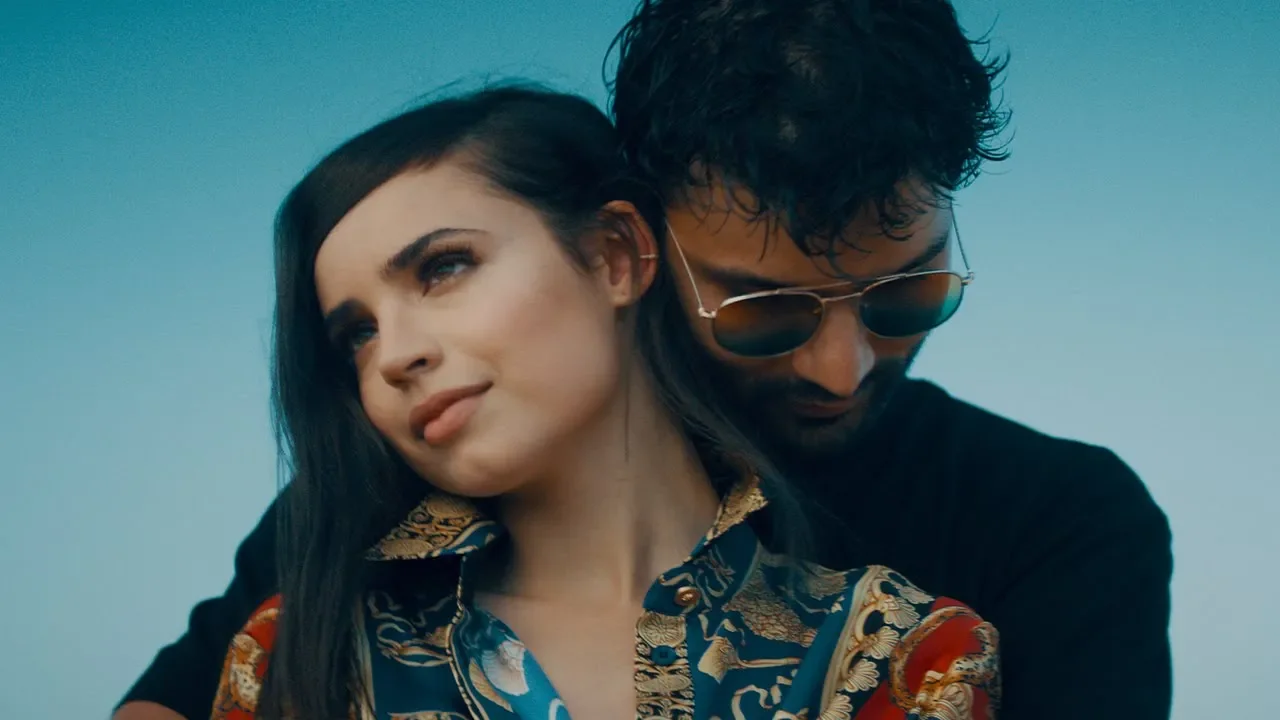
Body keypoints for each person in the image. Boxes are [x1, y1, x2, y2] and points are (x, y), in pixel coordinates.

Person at [116, 1, 1172, 719]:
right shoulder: (378, 509)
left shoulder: (1053, 525)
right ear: (632, 247)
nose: (841, 368)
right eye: (762, 312)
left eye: (907, 295)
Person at [204, 84, 996, 719]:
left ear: (615, 256)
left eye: (443, 268)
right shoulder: (296, 657)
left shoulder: (895, 655)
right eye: (357, 334)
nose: (395, 355)